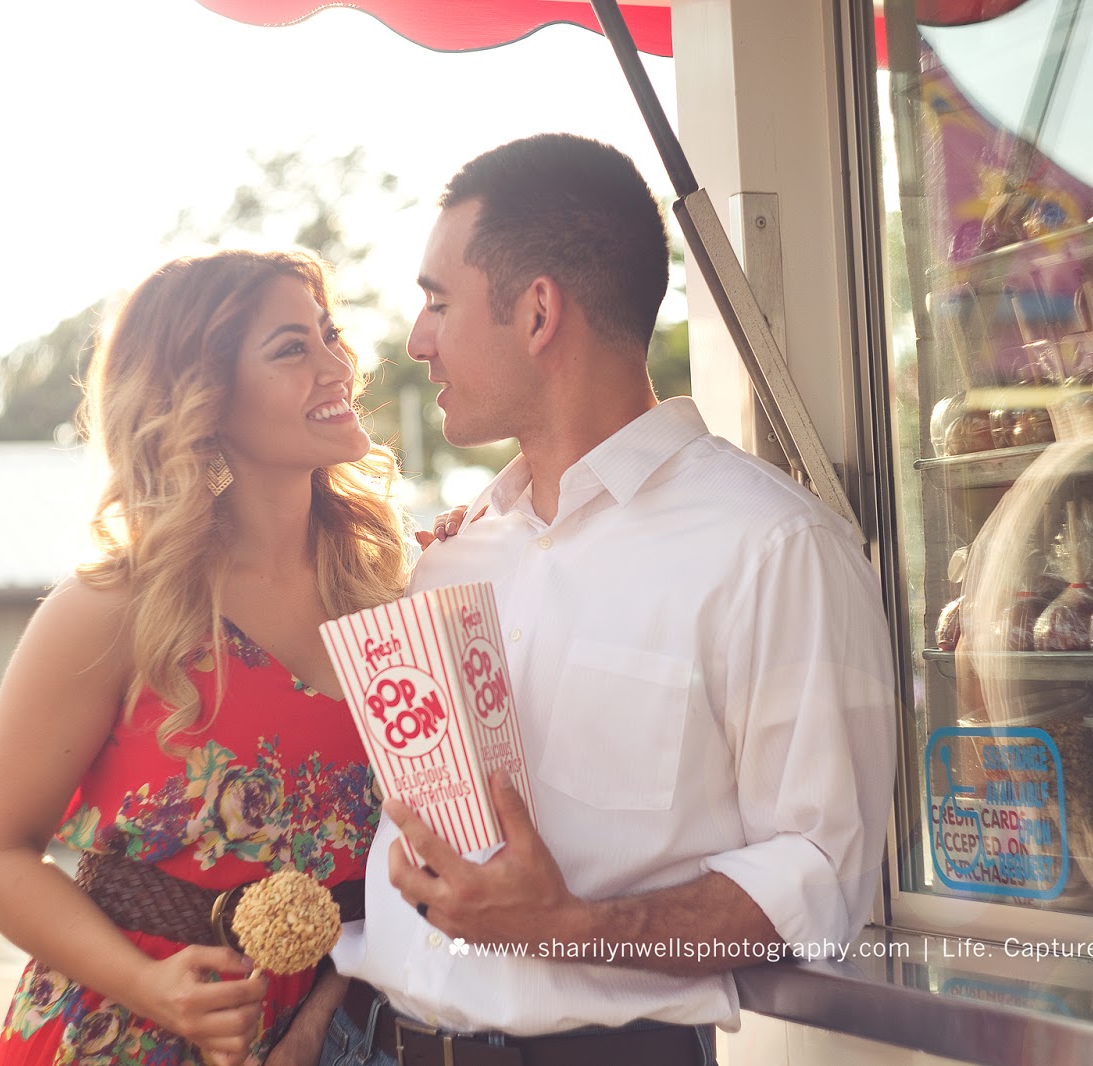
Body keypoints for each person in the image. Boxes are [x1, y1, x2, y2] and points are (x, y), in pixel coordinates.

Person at [322, 134, 898, 1066]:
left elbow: (820, 875)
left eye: (438, 302)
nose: (417, 339)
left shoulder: (773, 549)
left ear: (538, 312)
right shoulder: (450, 559)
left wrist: (569, 929)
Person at [0, 249, 411, 1066]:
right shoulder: (111, 610)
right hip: (120, 1032)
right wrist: (149, 986)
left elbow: (394, 870)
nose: (337, 365)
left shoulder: (389, 596)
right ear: (204, 399)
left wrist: (325, 1015)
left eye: (330, 335)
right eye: (292, 348)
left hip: (328, 1039)